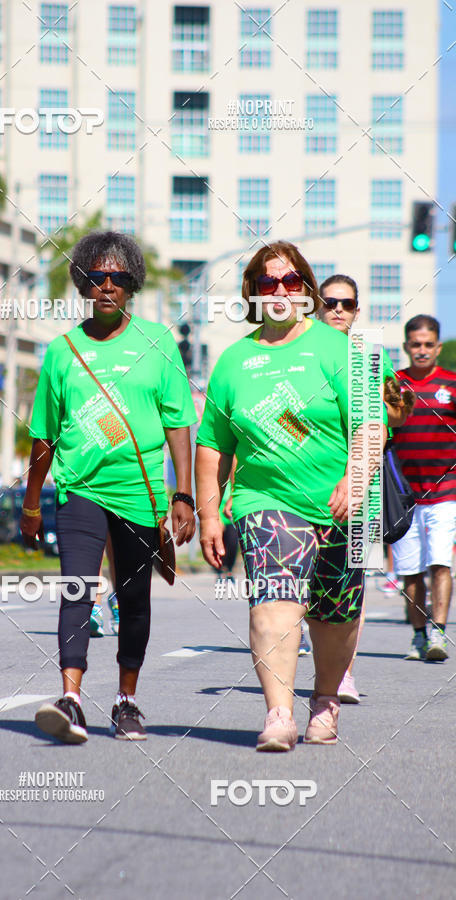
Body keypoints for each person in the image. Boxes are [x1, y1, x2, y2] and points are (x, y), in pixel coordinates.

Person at [196, 241, 382, 751]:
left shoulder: (345, 349)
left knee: (337, 612)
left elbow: (370, 424)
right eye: (267, 283)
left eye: (291, 281)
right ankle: (279, 714)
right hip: (266, 500)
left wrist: (356, 478)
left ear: (307, 289)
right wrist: (210, 516)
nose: (279, 290)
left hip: (344, 503)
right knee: (274, 598)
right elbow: (213, 447)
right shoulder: (233, 362)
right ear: (252, 293)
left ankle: (325, 700)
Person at [22, 231, 196, 743]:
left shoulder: (158, 342)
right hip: (79, 489)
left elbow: (178, 423)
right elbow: (43, 435)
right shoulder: (62, 351)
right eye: (97, 276)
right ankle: (71, 699)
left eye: (118, 278)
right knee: (77, 588)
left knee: (134, 597)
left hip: (139, 493)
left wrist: (183, 495)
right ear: (82, 281)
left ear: (132, 285)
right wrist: (32, 502)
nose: (107, 286)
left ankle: (126, 701)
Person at [317, 273, 411, 702]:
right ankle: (322, 655)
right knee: (306, 583)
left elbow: (398, 413)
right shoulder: (297, 353)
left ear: (358, 310)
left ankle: (344, 674)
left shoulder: (370, 357)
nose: (338, 310)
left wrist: (380, 405)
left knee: (351, 582)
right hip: (304, 487)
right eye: (331, 301)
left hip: (361, 487)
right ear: (316, 304)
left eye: (347, 304)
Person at [392, 315, 456, 662]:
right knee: (411, 570)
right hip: (403, 497)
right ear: (406, 347)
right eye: (415, 344)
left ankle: (438, 634)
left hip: (446, 491)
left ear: (438, 347)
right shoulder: (394, 384)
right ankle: (418, 636)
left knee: (440, 562)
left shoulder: (452, 383)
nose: (421, 350)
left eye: (428, 344)